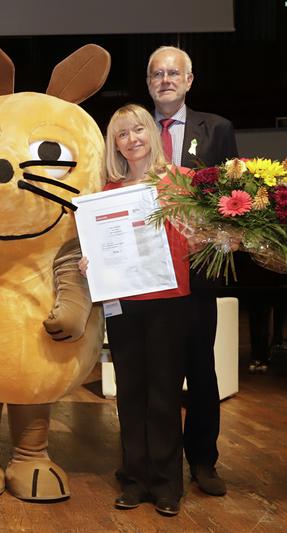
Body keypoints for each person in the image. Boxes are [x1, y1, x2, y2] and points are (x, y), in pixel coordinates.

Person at [81, 104, 191, 516]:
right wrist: (90, 262)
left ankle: (166, 485)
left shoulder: (180, 182)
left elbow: (196, 241)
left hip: (169, 300)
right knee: (130, 393)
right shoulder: (107, 193)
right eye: (122, 134)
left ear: (152, 133)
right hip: (123, 304)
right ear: (116, 145)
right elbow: (98, 247)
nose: (132, 139)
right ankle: (134, 479)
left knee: (164, 394)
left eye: (138, 129)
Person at [146, 45, 238, 497]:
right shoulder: (133, 132)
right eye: (157, 74)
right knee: (158, 375)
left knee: (202, 372)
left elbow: (233, 196)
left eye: (172, 73)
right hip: (148, 274)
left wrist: (231, 232)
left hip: (198, 272)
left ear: (189, 80)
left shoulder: (216, 129)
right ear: (148, 83)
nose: (165, 80)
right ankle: (159, 465)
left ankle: (203, 460)